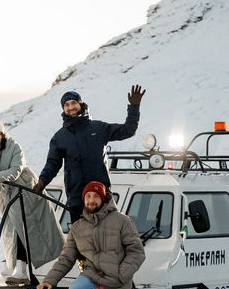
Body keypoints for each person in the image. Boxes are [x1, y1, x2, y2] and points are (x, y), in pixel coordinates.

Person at [33, 85, 146, 220]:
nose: (71, 107)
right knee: (82, 239)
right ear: (63, 109)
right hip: (77, 199)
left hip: (101, 196)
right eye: (66, 105)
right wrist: (42, 182)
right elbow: (52, 164)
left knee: (107, 237)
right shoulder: (59, 137)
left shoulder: (99, 128)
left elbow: (128, 130)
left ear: (80, 104)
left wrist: (134, 107)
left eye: (74, 103)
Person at [0, 114, 64, 288]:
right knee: (11, 229)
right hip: (8, 192)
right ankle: (15, 266)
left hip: (25, 188)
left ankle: (22, 269)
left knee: (25, 228)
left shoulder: (14, 146)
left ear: (3, 133)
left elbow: (17, 169)